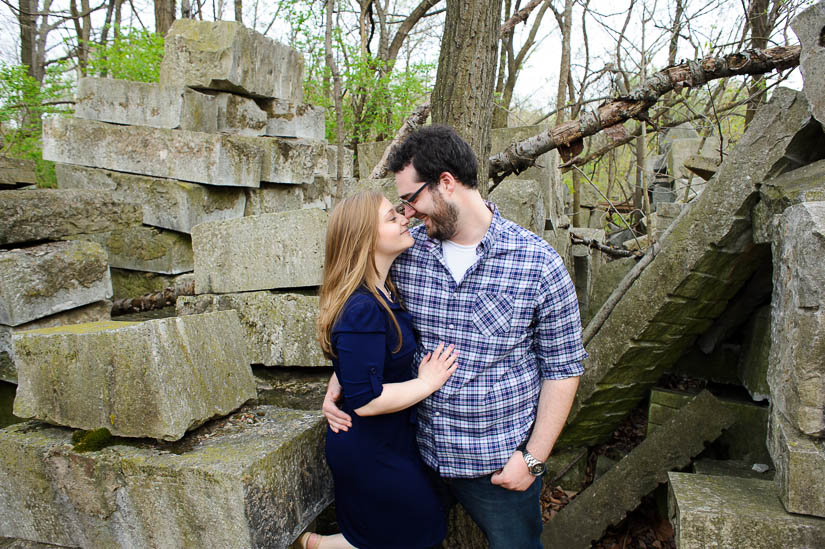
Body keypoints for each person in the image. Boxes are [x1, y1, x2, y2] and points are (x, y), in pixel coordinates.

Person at [323, 125, 587, 548]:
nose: (406, 213)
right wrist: (342, 380)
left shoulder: (538, 264)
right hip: (414, 451)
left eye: (410, 200)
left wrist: (533, 458)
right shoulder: (408, 253)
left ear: (446, 183)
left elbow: (564, 367)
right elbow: (369, 317)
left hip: (496, 465)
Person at [300, 190, 459, 549]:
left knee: (402, 533)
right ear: (364, 239)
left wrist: (339, 380)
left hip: (391, 441)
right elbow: (366, 400)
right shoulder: (362, 307)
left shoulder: (382, 290)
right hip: (370, 451)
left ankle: (315, 545)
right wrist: (426, 383)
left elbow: (364, 357)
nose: (405, 218)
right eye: (392, 217)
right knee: (417, 533)